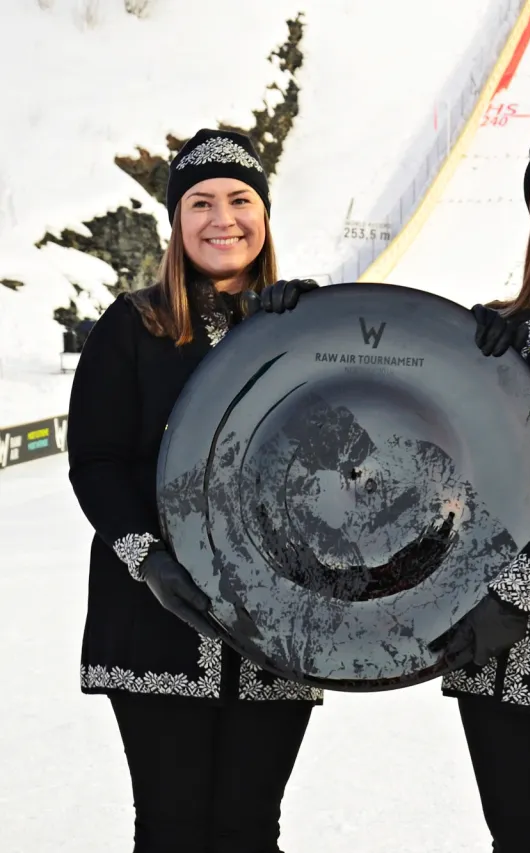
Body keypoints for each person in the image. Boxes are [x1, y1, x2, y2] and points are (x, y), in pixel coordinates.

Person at [257, 118, 530, 853]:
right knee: (518, 837)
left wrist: (522, 591)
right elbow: (405, 414)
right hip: (490, 636)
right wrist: (291, 320)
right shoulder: (499, 329)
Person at [67, 128, 323, 853]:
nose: (223, 219)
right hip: (156, 618)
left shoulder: (298, 326)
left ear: (264, 215)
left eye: (241, 200)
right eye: (201, 202)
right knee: (173, 827)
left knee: (248, 828)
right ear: (177, 221)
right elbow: (95, 458)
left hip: (275, 619)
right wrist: (146, 557)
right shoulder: (133, 327)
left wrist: (313, 331)